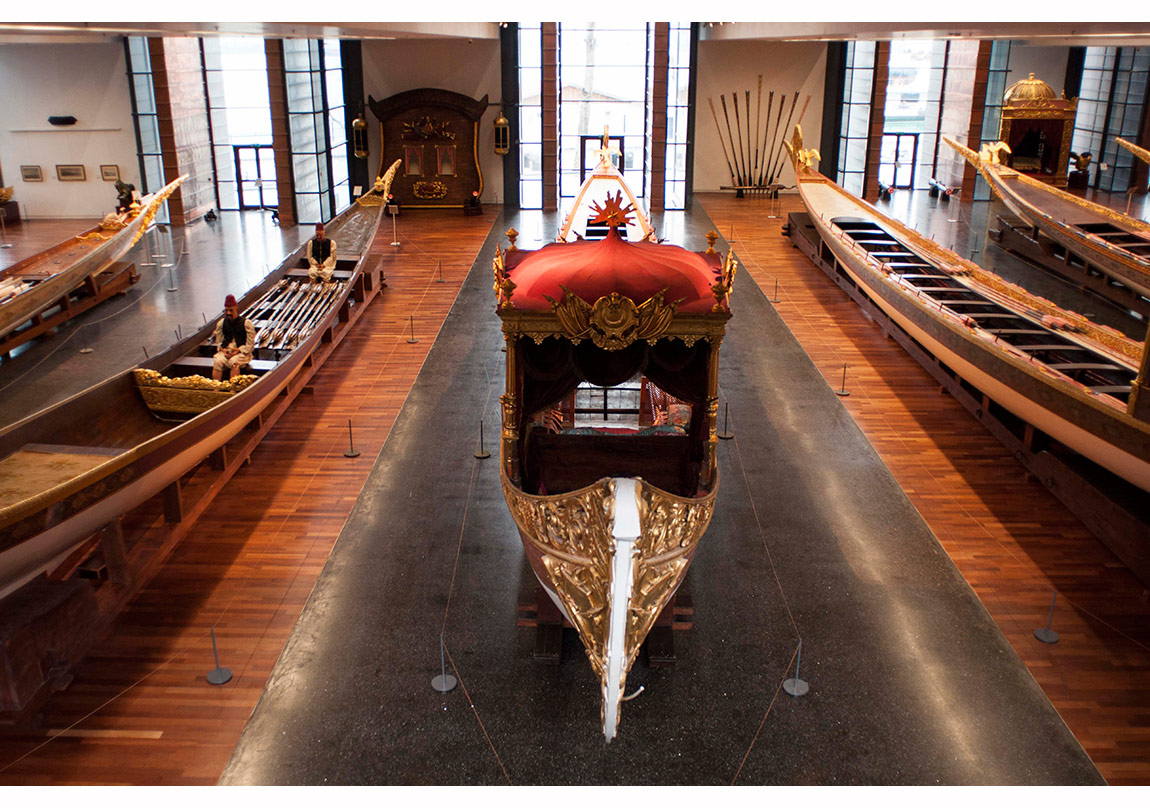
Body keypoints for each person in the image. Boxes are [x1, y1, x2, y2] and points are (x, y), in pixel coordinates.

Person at [212, 294, 255, 381]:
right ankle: (215, 386)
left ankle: (233, 386)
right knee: (217, 362)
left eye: (231, 310)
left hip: (241, 352)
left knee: (234, 363)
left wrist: (239, 350)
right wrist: (223, 349)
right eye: (226, 310)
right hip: (226, 351)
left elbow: (250, 345)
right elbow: (219, 341)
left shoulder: (246, 323)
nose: (228, 313)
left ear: (236, 308)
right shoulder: (222, 323)